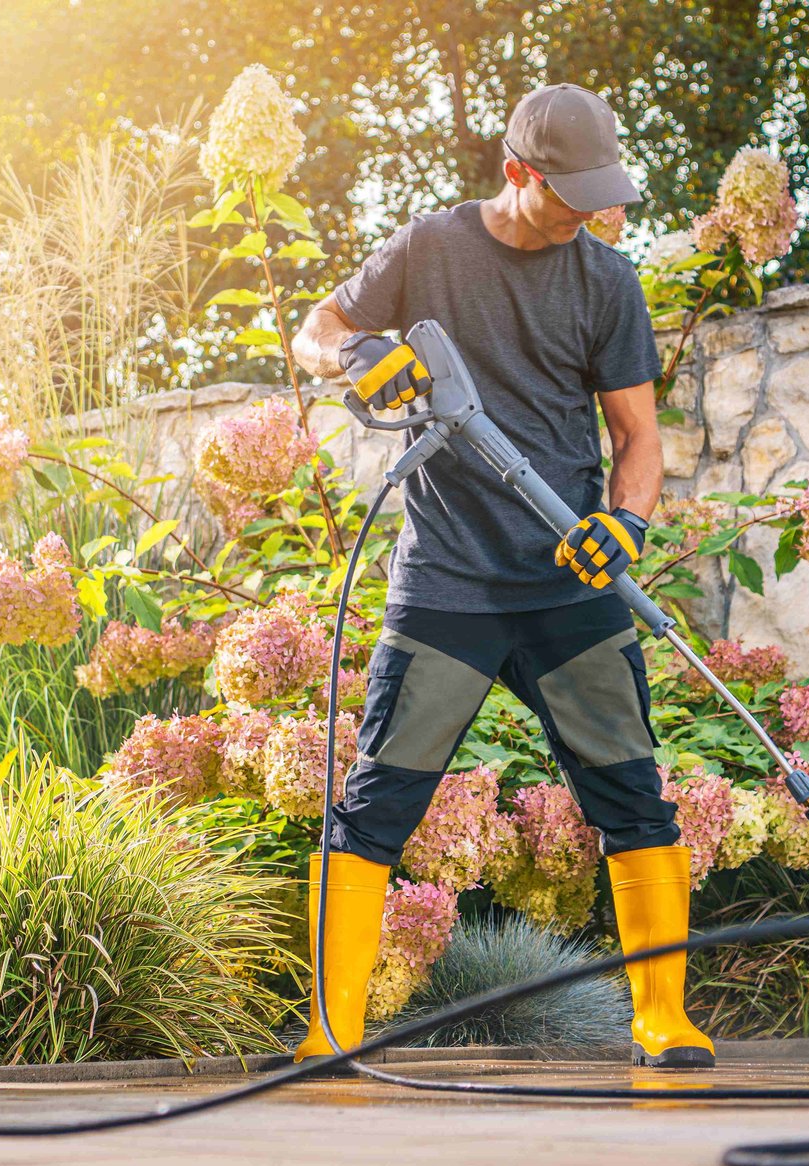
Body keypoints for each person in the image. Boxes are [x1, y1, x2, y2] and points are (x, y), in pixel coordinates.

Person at [287, 83, 716, 1070]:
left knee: (634, 797)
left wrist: (627, 522)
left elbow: (638, 436)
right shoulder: (430, 249)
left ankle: (662, 1018)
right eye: (568, 193)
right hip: (449, 582)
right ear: (517, 172)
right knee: (375, 806)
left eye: (598, 194)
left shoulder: (605, 281)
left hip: (570, 582)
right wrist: (358, 350)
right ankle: (334, 1028)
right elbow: (315, 331)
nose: (587, 213)